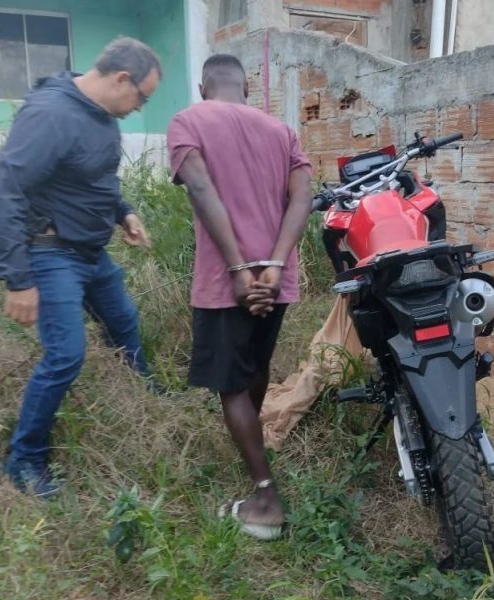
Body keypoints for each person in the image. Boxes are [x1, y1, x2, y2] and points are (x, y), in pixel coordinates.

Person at [0, 37, 162, 498]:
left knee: (123, 322)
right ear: (122, 78)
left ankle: (144, 396)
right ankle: (24, 460)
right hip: (50, 252)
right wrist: (17, 279)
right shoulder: (51, 115)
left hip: (90, 253)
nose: (139, 108)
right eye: (142, 97)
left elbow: (98, 176)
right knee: (65, 356)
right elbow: (4, 192)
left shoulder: (101, 117)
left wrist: (125, 213)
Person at [167, 54, 312, 539]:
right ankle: (256, 456)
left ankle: (266, 497)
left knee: (232, 386)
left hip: (223, 282)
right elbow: (302, 198)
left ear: (203, 84)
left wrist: (237, 269)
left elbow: (203, 190)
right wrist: (273, 264)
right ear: (246, 86)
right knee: (255, 368)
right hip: (276, 280)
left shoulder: (188, 121)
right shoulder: (282, 132)